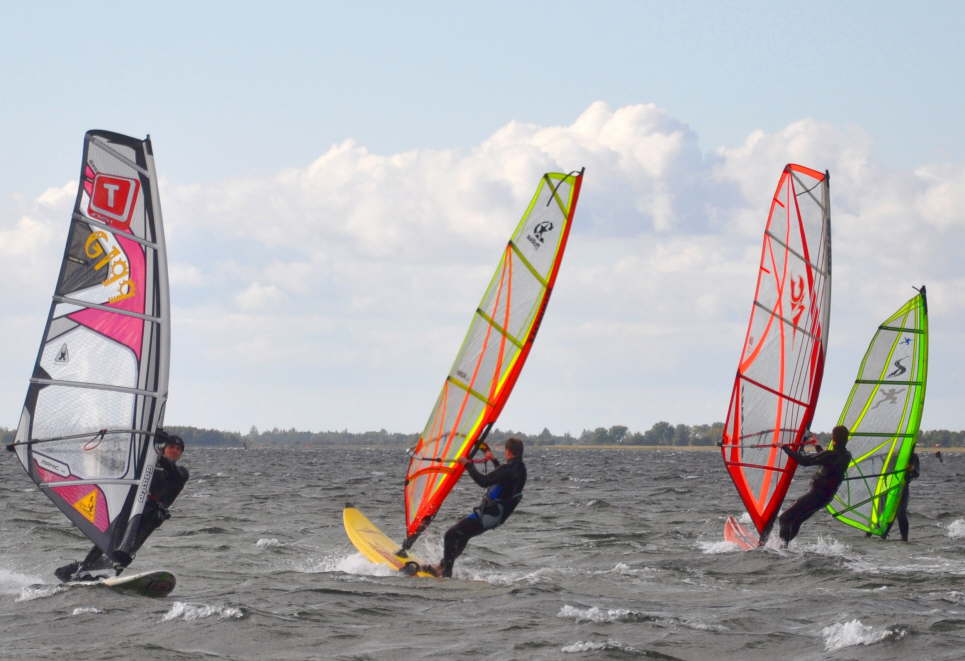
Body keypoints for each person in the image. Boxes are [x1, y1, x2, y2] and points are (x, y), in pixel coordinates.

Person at [55, 429, 189, 582]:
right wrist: (97, 455)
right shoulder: (148, 466)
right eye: (172, 447)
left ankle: (109, 574)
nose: (175, 451)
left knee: (127, 550)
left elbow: (171, 471)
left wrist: (154, 449)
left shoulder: (181, 472)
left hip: (151, 516)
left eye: (179, 449)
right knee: (108, 539)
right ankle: (81, 569)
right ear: (165, 448)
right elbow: (119, 466)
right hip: (133, 507)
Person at [430, 438, 527, 578]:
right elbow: (505, 477)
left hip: (488, 515)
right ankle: (443, 566)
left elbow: (484, 481)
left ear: (508, 452)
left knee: (450, 535)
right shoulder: (520, 469)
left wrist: (467, 465)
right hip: (496, 516)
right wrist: (493, 460)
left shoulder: (507, 470)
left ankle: (445, 574)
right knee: (462, 536)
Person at [775, 426, 852, 546]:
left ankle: (780, 548)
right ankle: (784, 547)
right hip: (826, 498)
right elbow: (825, 457)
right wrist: (816, 445)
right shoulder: (847, 455)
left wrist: (784, 447)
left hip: (816, 495)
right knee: (796, 521)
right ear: (846, 440)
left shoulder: (830, 455)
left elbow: (804, 461)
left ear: (834, 440)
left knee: (784, 518)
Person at [885, 450, 920, 542]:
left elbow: (916, 474)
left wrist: (912, 469)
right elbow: (887, 468)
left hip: (903, 487)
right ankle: (875, 534)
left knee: (901, 512)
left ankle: (904, 539)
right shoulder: (893, 454)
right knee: (885, 511)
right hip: (889, 486)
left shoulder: (913, 456)